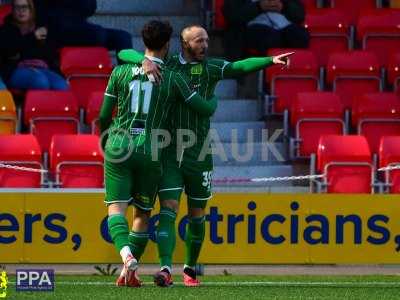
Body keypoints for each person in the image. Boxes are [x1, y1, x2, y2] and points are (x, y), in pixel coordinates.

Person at [119, 25, 293, 287]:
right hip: (168, 152)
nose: (204, 44)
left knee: (197, 214)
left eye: (207, 40)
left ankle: (189, 269)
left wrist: (270, 61)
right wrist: (143, 60)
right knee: (168, 209)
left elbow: (239, 66)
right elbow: (123, 53)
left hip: (199, 154)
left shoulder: (211, 67)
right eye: (198, 40)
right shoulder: (166, 66)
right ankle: (165, 268)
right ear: (184, 43)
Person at [99, 20, 219, 288]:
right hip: (152, 151)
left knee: (116, 209)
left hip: (119, 145)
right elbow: (203, 107)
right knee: (143, 213)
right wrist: (213, 101)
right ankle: (137, 269)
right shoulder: (173, 78)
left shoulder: (119, 72)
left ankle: (127, 257)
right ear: (168, 45)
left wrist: (105, 139)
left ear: (143, 42)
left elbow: (104, 114)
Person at [0, 0, 68, 90]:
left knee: (62, 86)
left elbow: (49, 54)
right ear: (12, 10)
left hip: (42, 68)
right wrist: (33, 38)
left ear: (31, 9)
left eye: (25, 7)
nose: (21, 11)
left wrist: (59, 73)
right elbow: (11, 51)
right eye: (17, 7)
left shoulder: (40, 27)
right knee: (40, 82)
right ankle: (27, 103)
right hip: (16, 70)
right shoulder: (6, 29)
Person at [33, 0, 132, 55]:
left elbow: (90, 9)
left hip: (81, 27)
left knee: (123, 37)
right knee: (98, 34)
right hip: (56, 30)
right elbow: (40, 14)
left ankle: (126, 84)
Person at [223, 0, 309, 60]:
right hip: (255, 27)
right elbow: (232, 15)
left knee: (300, 36)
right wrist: (259, 7)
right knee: (269, 38)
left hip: (286, 27)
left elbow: (300, 15)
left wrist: (283, 7)